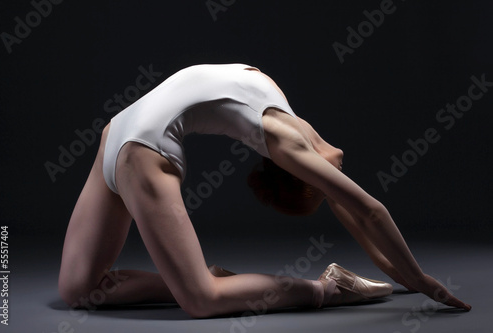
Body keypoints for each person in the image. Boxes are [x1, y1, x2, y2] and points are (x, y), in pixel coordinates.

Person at [58, 64, 471, 318]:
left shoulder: (270, 93)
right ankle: (322, 291)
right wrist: (420, 279)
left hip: (122, 135)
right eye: (324, 188)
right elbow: (368, 211)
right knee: (200, 301)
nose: (336, 180)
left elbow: (353, 212)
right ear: (303, 174)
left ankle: (201, 278)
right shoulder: (288, 139)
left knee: (79, 292)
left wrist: (400, 278)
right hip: (136, 148)